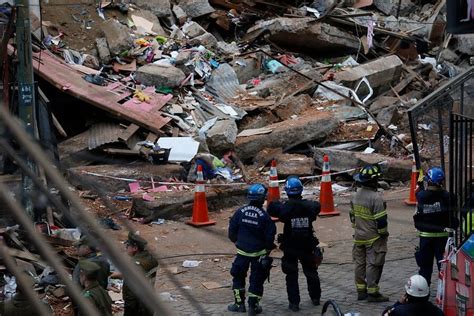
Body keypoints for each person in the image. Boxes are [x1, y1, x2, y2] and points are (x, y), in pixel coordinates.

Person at [268, 176, 322, 312]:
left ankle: (294, 303)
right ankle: (315, 298)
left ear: (287, 190)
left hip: (290, 246)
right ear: (301, 190)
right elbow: (317, 206)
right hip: (307, 245)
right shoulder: (310, 207)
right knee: (311, 272)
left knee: (291, 275)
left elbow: (272, 208)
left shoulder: (285, 208)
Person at [227, 183, 276, 315]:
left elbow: (232, 231)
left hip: (242, 253)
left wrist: (237, 242)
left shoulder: (240, 212)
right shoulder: (265, 217)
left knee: (238, 277)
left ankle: (239, 305)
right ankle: (253, 307)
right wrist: (267, 250)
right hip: (259, 254)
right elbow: (270, 237)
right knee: (257, 280)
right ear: (262, 198)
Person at [351, 164, 389, 302]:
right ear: (374, 181)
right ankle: (373, 292)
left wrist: (358, 229)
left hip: (358, 236)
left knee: (359, 264)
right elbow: (381, 222)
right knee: (373, 264)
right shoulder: (376, 197)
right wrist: (383, 234)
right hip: (373, 237)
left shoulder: (355, 194)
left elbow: (352, 217)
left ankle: (361, 291)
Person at [414, 167, 457, 286]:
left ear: (429, 181)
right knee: (444, 267)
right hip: (443, 237)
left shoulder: (421, 196)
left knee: (424, 268)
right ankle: (446, 290)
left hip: (426, 237)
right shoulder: (448, 197)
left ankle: (423, 292)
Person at [114, 232, 158, 316]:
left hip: (137, 306)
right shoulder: (151, 259)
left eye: (127, 246)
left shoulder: (134, 265)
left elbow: (131, 293)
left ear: (135, 248)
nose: (126, 248)